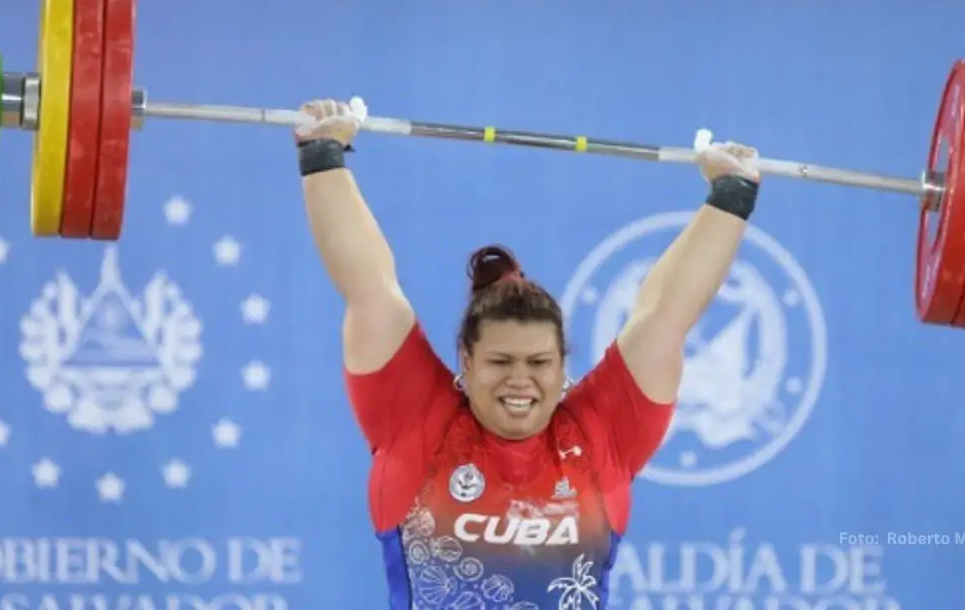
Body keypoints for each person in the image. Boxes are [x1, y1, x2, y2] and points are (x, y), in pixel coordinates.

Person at [294, 97, 762, 609]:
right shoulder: (415, 424)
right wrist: (323, 155)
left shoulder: (601, 434)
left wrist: (731, 192)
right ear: (465, 364)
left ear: (563, 366)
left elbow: (668, 313)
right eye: (500, 362)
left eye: (539, 363)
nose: (521, 380)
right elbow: (370, 289)